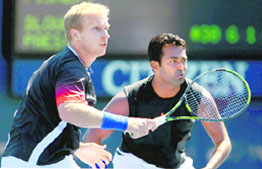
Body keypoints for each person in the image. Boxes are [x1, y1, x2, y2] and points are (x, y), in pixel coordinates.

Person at [1, 2, 157, 168]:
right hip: (34, 164)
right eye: (96, 29)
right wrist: (127, 123)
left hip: (40, 160)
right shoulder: (70, 68)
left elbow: (42, 122)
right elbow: (70, 110)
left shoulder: (65, 64)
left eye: (106, 28)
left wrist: (76, 147)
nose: (106, 35)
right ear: (75, 35)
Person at [83, 33, 232, 169]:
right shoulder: (129, 98)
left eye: (183, 60)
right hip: (132, 163)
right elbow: (92, 136)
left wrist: (209, 168)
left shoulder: (197, 97)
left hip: (177, 164)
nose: (181, 67)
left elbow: (223, 142)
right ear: (155, 65)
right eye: (173, 61)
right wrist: (98, 165)